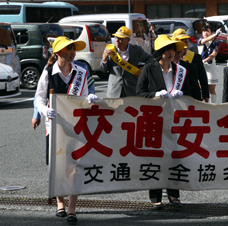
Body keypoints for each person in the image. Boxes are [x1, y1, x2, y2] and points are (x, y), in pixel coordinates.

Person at [34, 36, 98, 224]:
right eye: (67, 49)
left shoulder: (81, 72)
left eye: (73, 49)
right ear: (58, 52)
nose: (72, 53)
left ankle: (72, 207)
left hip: (75, 126)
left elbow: (85, 96)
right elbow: (38, 98)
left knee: (74, 167)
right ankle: (59, 202)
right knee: (56, 166)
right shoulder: (48, 72)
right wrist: (45, 110)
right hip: (53, 126)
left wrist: (90, 98)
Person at [136, 35, 192, 210]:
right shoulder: (148, 69)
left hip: (176, 120)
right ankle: (156, 196)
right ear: (160, 52)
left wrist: (182, 95)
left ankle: (174, 194)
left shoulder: (179, 70)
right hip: (155, 119)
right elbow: (139, 93)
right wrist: (155, 95)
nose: (171, 52)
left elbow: (189, 93)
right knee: (156, 157)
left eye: (173, 49)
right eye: (168, 49)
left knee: (175, 157)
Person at [100, 26, 154, 98]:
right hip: (114, 91)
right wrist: (104, 60)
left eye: (120, 38)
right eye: (116, 37)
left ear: (128, 39)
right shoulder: (110, 50)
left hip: (131, 90)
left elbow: (151, 59)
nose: (117, 40)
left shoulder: (136, 50)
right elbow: (103, 70)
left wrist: (142, 69)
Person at [172, 28, 210, 102]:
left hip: (193, 94)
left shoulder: (196, 57)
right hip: (176, 95)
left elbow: (202, 77)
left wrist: (205, 94)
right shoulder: (171, 58)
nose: (184, 44)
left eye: (186, 41)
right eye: (181, 41)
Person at [198, 24, 220, 103]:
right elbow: (205, 41)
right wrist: (215, 35)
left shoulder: (215, 43)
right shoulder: (200, 40)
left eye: (207, 31)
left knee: (211, 89)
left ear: (211, 32)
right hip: (202, 67)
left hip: (210, 68)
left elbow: (214, 54)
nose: (205, 33)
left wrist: (204, 60)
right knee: (201, 88)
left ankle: (213, 106)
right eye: (204, 31)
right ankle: (203, 105)